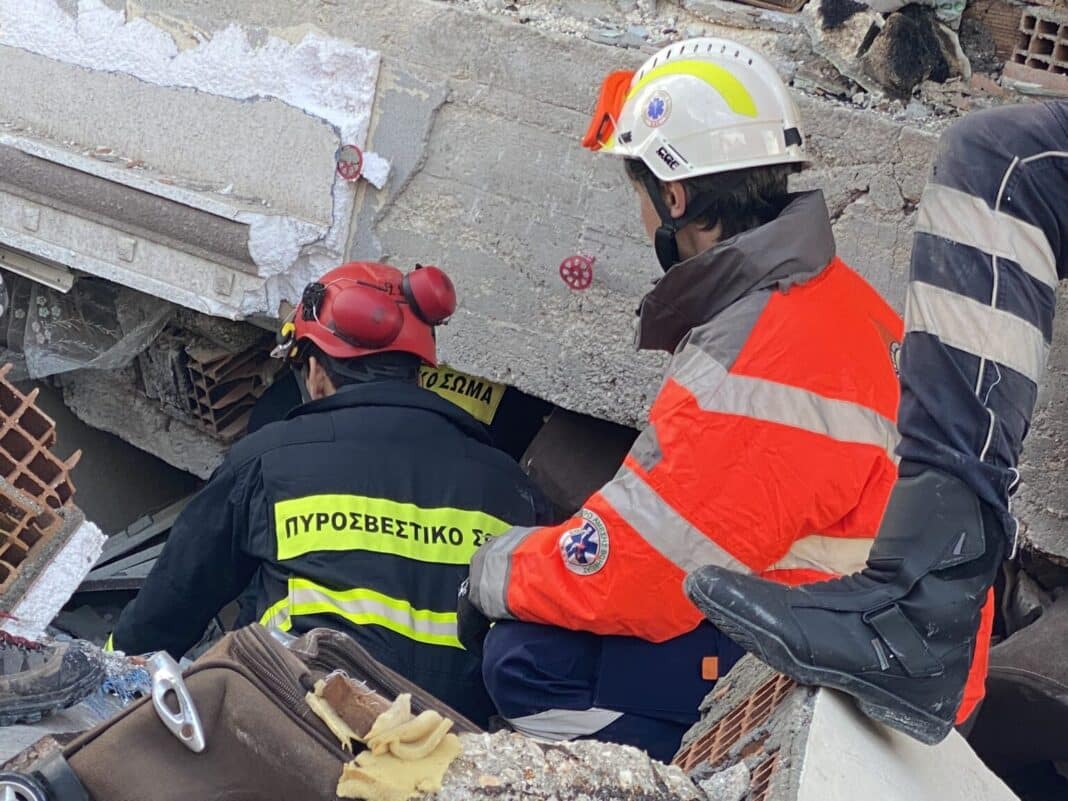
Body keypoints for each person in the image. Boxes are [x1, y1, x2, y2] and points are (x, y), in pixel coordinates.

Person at [460, 37, 928, 761]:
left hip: (857, 674)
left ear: (675, 197)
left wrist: (492, 574)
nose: (642, 216)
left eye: (639, 194)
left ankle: (692, 774)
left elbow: (633, 575)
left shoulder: (762, 346)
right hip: (886, 639)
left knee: (525, 658)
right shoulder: (844, 302)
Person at [686, 101, 1068, 745]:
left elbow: (636, 570)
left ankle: (920, 612)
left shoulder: (770, 331)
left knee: (1009, 166)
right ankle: (918, 609)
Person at [110, 261, 553, 726]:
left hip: (294, 724)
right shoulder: (514, 491)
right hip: (442, 745)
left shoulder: (270, 459)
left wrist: (111, 678)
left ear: (316, 371)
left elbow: (173, 604)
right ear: (419, 373)